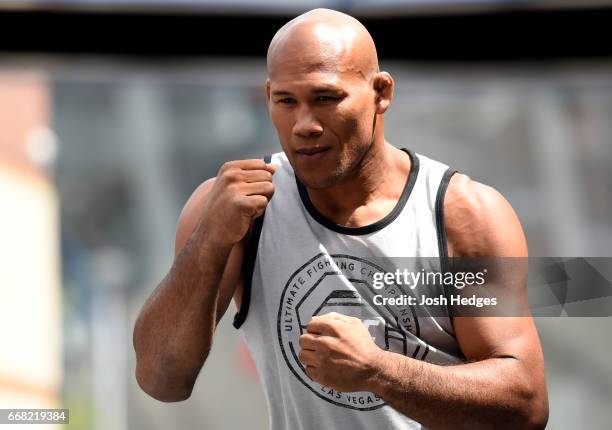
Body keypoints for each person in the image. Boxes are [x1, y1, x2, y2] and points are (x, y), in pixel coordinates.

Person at [133, 8, 549, 430]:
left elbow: (525, 405)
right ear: (268, 98)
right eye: (286, 102)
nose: (304, 125)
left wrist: (378, 371)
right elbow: (161, 380)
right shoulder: (237, 211)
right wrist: (209, 242)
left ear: (381, 92)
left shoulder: (461, 215)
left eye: (326, 99)